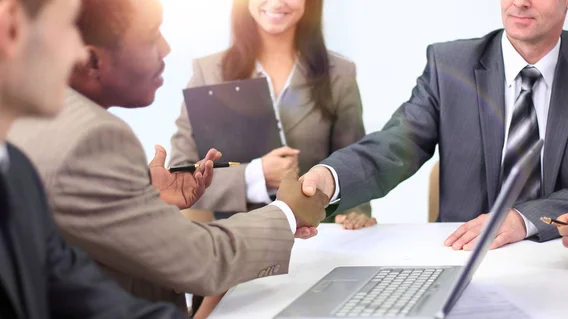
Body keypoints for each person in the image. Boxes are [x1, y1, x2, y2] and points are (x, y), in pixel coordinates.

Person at [8, 0, 329, 314]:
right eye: (151, 37)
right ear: (92, 60)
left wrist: (143, 200)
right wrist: (287, 212)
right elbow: (202, 260)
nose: (166, 49)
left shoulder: (29, 128)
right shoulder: (92, 137)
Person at [301, 0, 568, 250]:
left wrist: (525, 218)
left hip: (562, 253)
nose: (520, 2)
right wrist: (331, 178)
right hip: (463, 253)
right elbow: (395, 145)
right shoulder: (450, 66)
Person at [0, 0, 187, 317]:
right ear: (12, 27)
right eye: (67, 28)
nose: (78, 54)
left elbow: (92, 302)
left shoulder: (16, 172)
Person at [169, 0, 376, 231]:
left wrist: (356, 212)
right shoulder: (209, 73)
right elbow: (181, 176)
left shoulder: (339, 74)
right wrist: (255, 176)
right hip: (233, 238)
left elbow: (353, 163)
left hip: (317, 235)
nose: (277, 2)